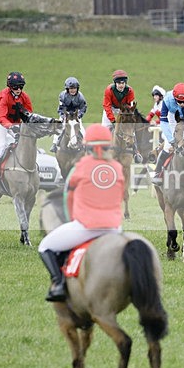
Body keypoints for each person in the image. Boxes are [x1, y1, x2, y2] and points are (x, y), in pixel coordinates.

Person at [37, 124, 124, 302]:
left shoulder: (80, 167)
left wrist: (71, 221)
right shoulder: (117, 167)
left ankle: (59, 284)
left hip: (87, 226)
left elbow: (69, 199)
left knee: (45, 246)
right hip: (115, 229)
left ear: (87, 146)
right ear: (109, 146)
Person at [151, 83, 184, 185]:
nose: (182, 104)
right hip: (172, 116)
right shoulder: (167, 99)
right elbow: (164, 122)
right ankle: (157, 173)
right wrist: (171, 139)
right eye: (179, 101)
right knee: (166, 146)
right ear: (175, 98)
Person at [0, 71, 33, 186]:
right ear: (10, 86)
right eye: (15, 87)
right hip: (0, 122)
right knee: (1, 145)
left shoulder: (25, 97)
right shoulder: (4, 96)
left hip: (14, 123)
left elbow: (29, 114)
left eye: (21, 86)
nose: (19, 89)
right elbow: (1, 116)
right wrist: (10, 127)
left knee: (24, 142)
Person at [50, 76, 88, 153]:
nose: (73, 90)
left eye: (75, 88)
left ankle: (86, 145)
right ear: (67, 89)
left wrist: (79, 115)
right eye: (71, 88)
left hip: (75, 115)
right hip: (65, 114)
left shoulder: (80, 97)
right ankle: (54, 144)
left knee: (81, 128)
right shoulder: (62, 96)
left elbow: (83, 107)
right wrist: (63, 116)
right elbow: (61, 107)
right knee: (59, 126)